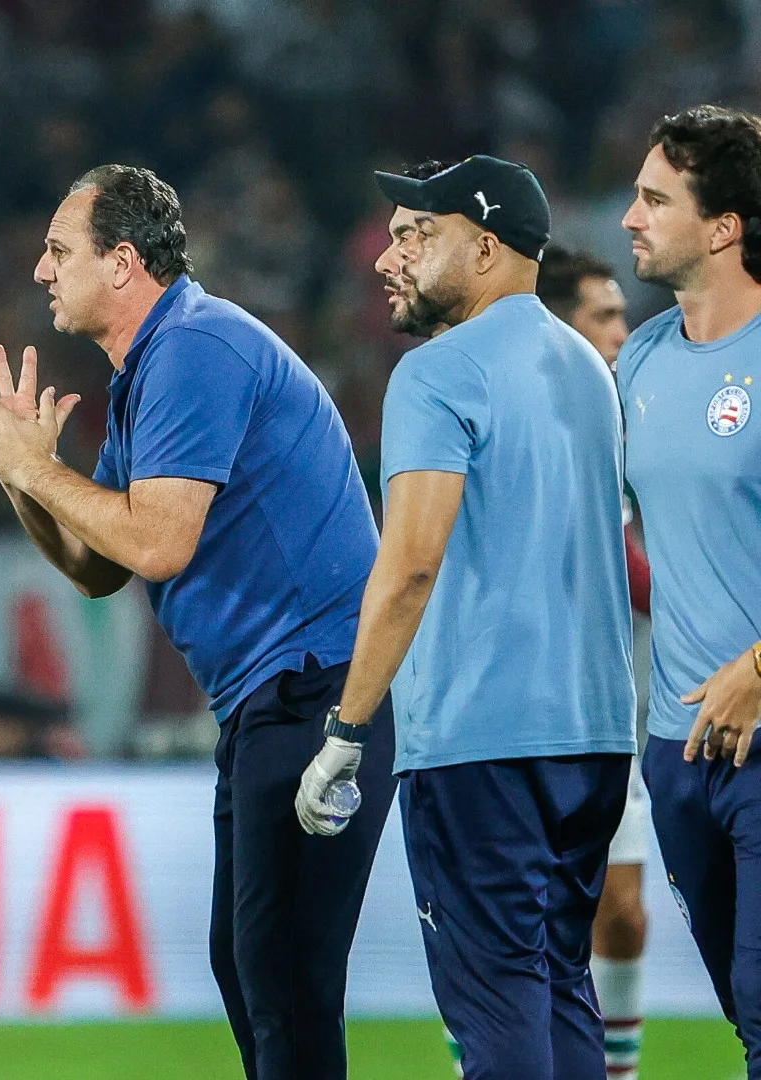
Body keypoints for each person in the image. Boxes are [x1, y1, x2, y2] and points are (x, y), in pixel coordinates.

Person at [0, 164, 392, 1079]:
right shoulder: (158, 366)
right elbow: (98, 568)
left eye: (58, 251)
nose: (40, 271)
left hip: (315, 691)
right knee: (257, 972)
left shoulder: (193, 350)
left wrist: (39, 473)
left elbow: (157, 545)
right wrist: (22, 475)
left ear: (121, 262)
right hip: (276, 698)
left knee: (285, 981)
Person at [297, 156, 635, 1080]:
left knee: (494, 1003)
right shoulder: (586, 367)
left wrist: (346, 730)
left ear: (485, 247)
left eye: (418, 235)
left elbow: (408, 567)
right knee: (561, 983)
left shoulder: (437, 373)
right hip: (595, 734)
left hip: (482, 738)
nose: (388, 259)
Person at [615, 104, 761, 1076]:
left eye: (654, 199)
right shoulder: (642, 361)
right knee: (743, 1017)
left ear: (723, 228)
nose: (630, 217)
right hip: (677, 750)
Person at [538, 243, 650, 1080]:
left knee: (622, 915)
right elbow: (626, 569)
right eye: (604, 315)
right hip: (533, 711)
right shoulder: (556, 420)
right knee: (515, 924)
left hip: (619, 714)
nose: (622, 330)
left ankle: (619, 1071)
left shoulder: (627, 415)